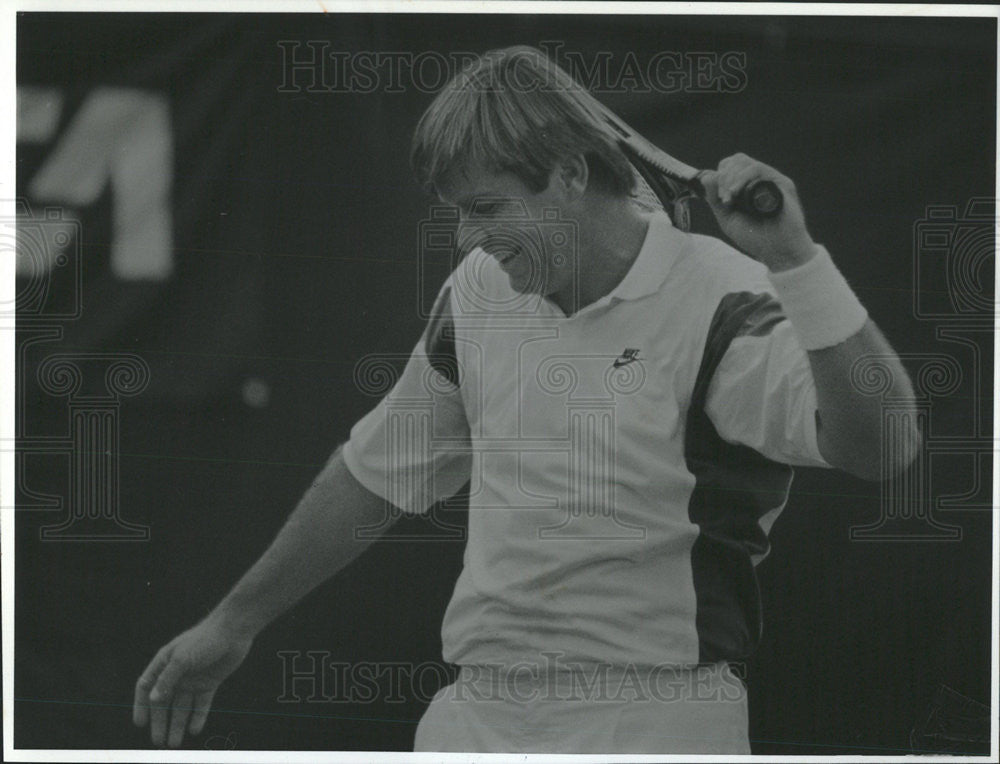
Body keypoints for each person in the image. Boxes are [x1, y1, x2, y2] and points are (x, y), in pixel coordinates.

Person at [132, 46, 921, 753]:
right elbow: (377, 474)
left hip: (657, 720)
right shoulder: (479, 291)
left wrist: (797, 261)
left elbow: (883, 448)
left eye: (486, 208)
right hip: (474, 717)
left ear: (573, 173)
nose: (469, 240)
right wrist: (233, 623)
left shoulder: (725, 299)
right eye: (459, 215)